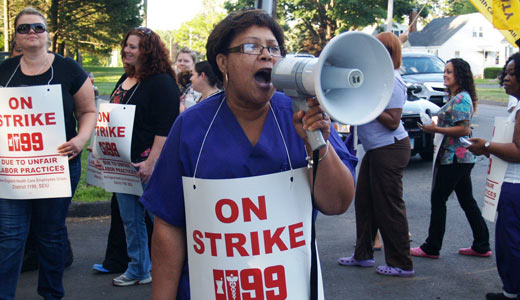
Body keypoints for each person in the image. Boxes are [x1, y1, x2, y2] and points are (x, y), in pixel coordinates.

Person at [140, 9, 356, 299]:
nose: (266, 55)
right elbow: (169, 225)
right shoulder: (192, 127)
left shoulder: (303, 117)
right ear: (222, 61)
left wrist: (316, 143)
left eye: (273, 48)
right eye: (252, 47)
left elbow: (338, 202)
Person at [0, 7, 96, 300]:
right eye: (24, 28)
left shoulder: (69, 69)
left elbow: (88, 110)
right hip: (13, 170)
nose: (31, 33)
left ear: (48, 34)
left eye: (38, 28)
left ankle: (52, 294)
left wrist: (80, 139)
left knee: (50, 234)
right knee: (10, 237)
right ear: (15, 36)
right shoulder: (4, 71)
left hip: (59, 166)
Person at [337, 32, 414, 277]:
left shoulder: (393, 81)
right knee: (365, 203)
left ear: (387, 53)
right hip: (376, 149)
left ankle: (401, 263)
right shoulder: (377, 77)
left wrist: (370, 102)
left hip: (390, 147)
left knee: (389, 207)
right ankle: (363, 255)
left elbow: (392, 121)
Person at [109, 27, 179, 287]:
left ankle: (178, 272)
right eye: (127, 44)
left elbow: (166, 128)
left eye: (134, 46)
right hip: (122, 163)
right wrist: (101, 146)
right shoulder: (125, 78)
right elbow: (111, 117)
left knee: (160, 221)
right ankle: (139, 269)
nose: (127, 49)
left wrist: (151, 162)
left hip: (149, 163)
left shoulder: (161, 82)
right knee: (130, 221)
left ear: (148, 51)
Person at [410, 58, 491, 259]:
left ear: (460, 76)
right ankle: (481, 244)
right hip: (459, 158)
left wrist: (434, 128)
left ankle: (432, 247)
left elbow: (463, 129)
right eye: (444, 71)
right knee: (466, 200)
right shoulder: (458, 97)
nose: (445, 75)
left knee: (438, 199)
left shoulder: (461, 99)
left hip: (455, 158)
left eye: (449, 72)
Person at [467, 52, 520, 300]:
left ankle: (512, 293)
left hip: (514, 185)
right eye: (506, 73)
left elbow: (518, 152)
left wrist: (486, 146)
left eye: (512, 73)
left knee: (510, 243)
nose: (506, 78)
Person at [175, 47, 200, 112]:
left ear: (194, 64)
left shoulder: (198, 83)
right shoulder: (172, 81)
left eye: (186, 61)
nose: (182, 63)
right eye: (179, 60)